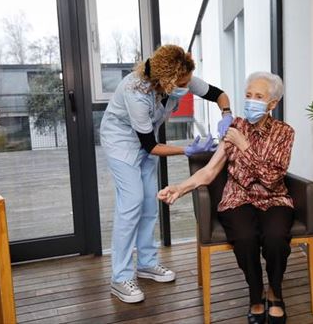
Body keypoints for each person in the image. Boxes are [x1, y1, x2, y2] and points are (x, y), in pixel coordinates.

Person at [100, 44, 234, 304]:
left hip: (145, 142)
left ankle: (147, 263)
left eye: (188, 81)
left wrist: (226, 115)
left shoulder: (181, 77)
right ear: (166, 80)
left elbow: (219, 94)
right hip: (121, 143)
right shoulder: (135, 91)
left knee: (150, 203)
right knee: (131, 204)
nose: (187, 86)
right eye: (182, 83)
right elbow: (150, 145)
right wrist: (188, 150)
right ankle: (120, 277)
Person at [158, 72, 294, 324]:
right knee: (245, 238)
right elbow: (209, 171)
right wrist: (179, 188)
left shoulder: (284, 133)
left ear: (272, 104)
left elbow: (272, 179)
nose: (251, 101)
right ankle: (256, 295)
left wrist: (244, 146)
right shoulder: (235, 127)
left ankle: (275, 292)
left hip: (274, 198)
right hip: (237, 199)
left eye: (259, 97)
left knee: (276, 240)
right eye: (248, 95)